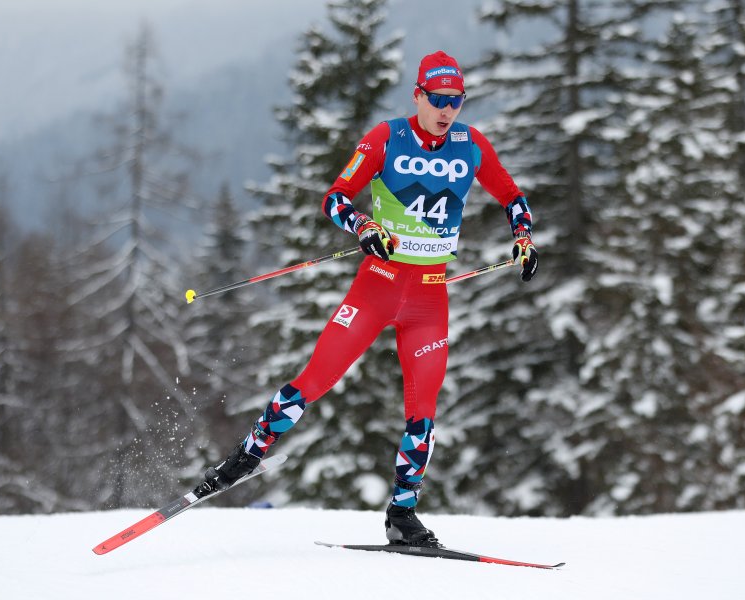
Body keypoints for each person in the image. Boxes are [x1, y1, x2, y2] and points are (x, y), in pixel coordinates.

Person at [197, 51, 538, 547]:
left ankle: (403, 514)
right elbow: (336, 196)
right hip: (377, 288)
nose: (447, 111)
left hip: (428, 300)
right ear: (418, 96)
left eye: (456, 101)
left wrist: (524, 239)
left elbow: (512, 197)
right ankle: (245, 457)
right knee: (313, 380)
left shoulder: (470, 145)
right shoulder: (387, 138)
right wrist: (364, 225)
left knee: (423, 411)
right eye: (438, 99)